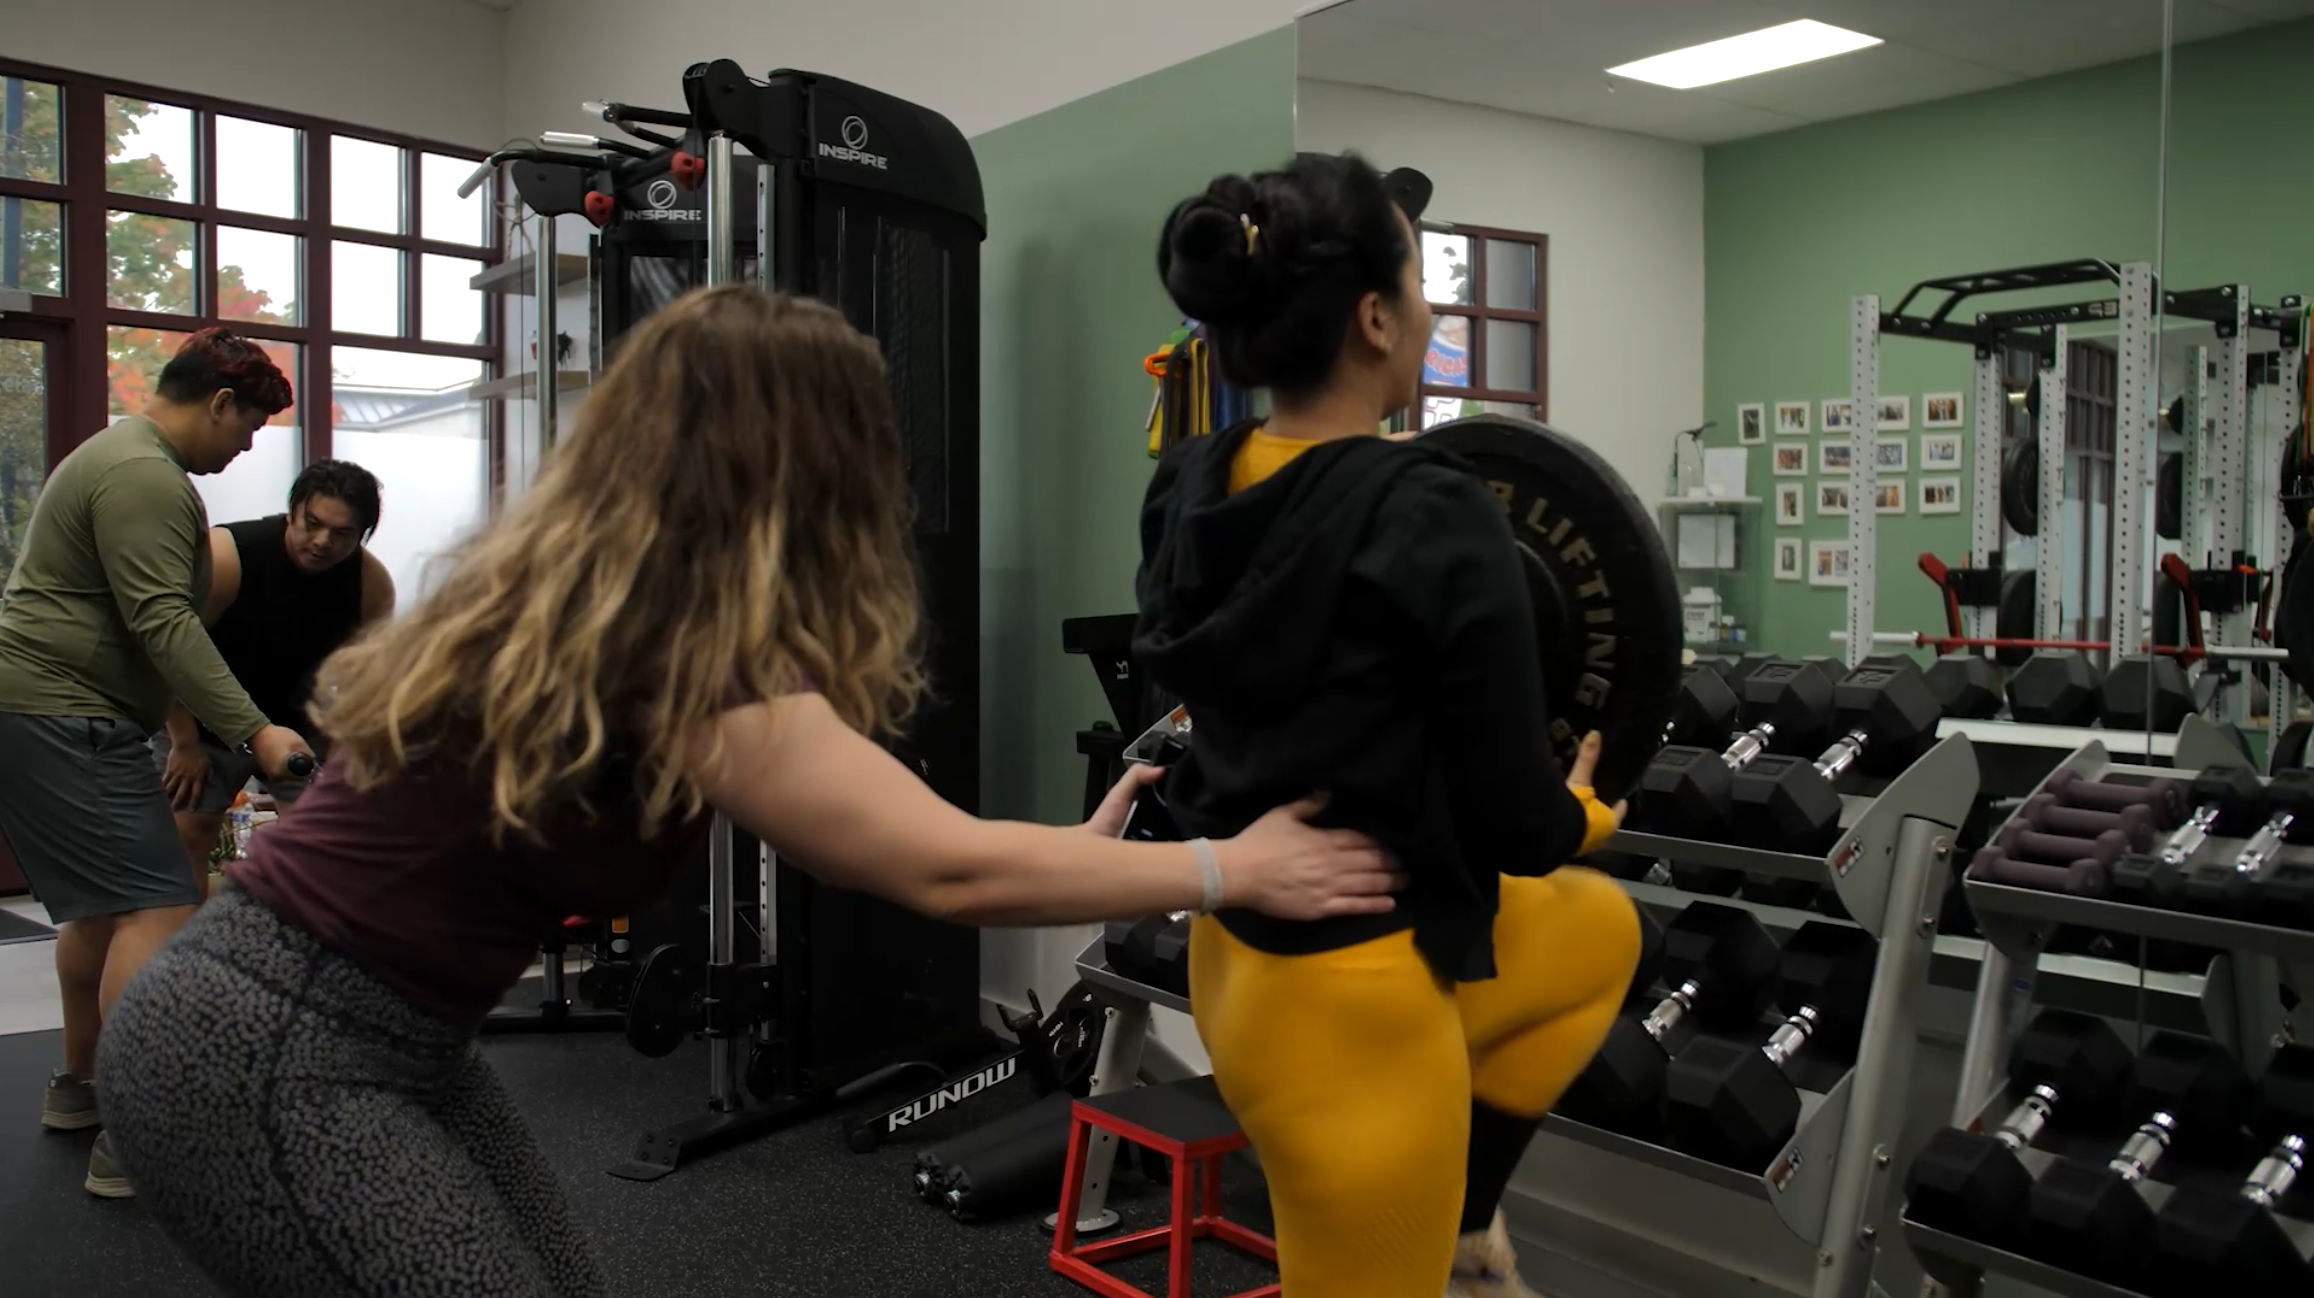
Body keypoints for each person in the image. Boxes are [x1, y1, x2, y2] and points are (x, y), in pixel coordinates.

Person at [95, 286, 1398, 1298]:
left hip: (375, 1036)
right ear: (806, 459)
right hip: (274, 1055)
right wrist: (1238, 866)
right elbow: (942, 868)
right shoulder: (667, 644)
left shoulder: (597, 594)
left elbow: (927, 832)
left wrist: (1082, 843)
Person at [1133, 152, 1643, 1298]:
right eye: (1416, 287)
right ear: (1372, 317)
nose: (1426, 313)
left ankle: (1464, 1226)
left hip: (1241, 955)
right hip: (1354, 1003)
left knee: (1592, 934)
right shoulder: (1433, 507)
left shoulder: (1188, 481)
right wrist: (1584, 812)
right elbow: (1519, 819)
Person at [0, 328, 315, 1199]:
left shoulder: (117, 459)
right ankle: (134, 1139)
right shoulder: (144, 476)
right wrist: (257, 734)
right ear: (219, 403)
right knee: (159, 903)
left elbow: (150, 627)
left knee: (101, 915)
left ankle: (82, 1090)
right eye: (247, 426)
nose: (248, 444)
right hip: (66, 714)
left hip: (45, 709)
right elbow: (164, 625)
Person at [154, 459, 395, 882]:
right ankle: (184, 945)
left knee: (324, 841)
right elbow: (166, 647)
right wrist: (184, 742)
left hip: (300, 722)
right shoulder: (228, 556)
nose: (322, 542)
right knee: (187, 835)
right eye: (312, 524)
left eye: (342, 534)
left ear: (362, 535)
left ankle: (296, 941)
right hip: (207, 718)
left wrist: (340, 760)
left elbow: (364, 686)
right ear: (292, 512)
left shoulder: (371, 585)